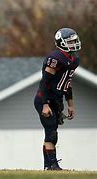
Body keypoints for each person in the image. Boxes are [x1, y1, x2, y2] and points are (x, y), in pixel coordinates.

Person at [34, 28, 81, 170]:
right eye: (70, 41)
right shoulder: (55, 58)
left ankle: (48, 166)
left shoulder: (74, 59)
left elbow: (67, 83)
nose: (74, 43)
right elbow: (45, 82)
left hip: (56, 100)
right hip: (45, 99)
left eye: (74, 40)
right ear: (62, 43)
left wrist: (70, 105)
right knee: (51, 133)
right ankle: (52, 165)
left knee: (52, 131)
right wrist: (45, 104)